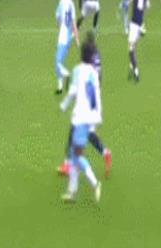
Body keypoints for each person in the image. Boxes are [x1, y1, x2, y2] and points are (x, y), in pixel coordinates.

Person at [57, 31, 112, 179]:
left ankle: (68, 165)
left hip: (85, 99)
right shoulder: (96, 56)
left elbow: (80, 81)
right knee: (88, 133)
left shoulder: (86, 63)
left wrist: (64, 104)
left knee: (75, 132)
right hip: (94, 98)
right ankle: (105, 152)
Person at [59, 41, 102, 203]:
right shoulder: (94, 73)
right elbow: (96, 96)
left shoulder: (78, 70)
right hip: (90, 117)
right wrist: (97, 118)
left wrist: (63, 105)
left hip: (80, 118)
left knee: (76, 155)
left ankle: (95, 183)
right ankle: (72, 192)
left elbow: (72, 92)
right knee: (73, 154)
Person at [55, 0, 80, 95]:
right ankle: (60, 87)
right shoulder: (71, 4)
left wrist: (59, 26)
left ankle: (67, 75)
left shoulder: (61, 2)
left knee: (58, 62)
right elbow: (74, 22)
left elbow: (58, 18)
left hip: (63, 36)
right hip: (69, 36)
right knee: (60, 61)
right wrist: (77, 38)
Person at [128, 0, 149, 82]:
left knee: (131, 49)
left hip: (134, 22)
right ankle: (131, 67)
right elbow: (147, 6)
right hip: (141, 23)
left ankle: (136, 71)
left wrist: (126, 3)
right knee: (134, 46)